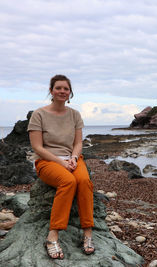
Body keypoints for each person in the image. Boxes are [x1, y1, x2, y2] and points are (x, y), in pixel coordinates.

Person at [28, 74, 95, 259]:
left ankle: (88, 232)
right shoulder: (39, 114)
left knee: (83, 181)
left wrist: (73, 158)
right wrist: (61, 163)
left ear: (70, 92)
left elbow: (78, 143)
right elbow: (37, 147)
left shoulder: (75, 114)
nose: (62, 91)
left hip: (72, 158)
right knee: (68, 181)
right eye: (58, 88)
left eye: (66, 88)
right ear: (51, 91)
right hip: (48, 161)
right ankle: (53, 235)